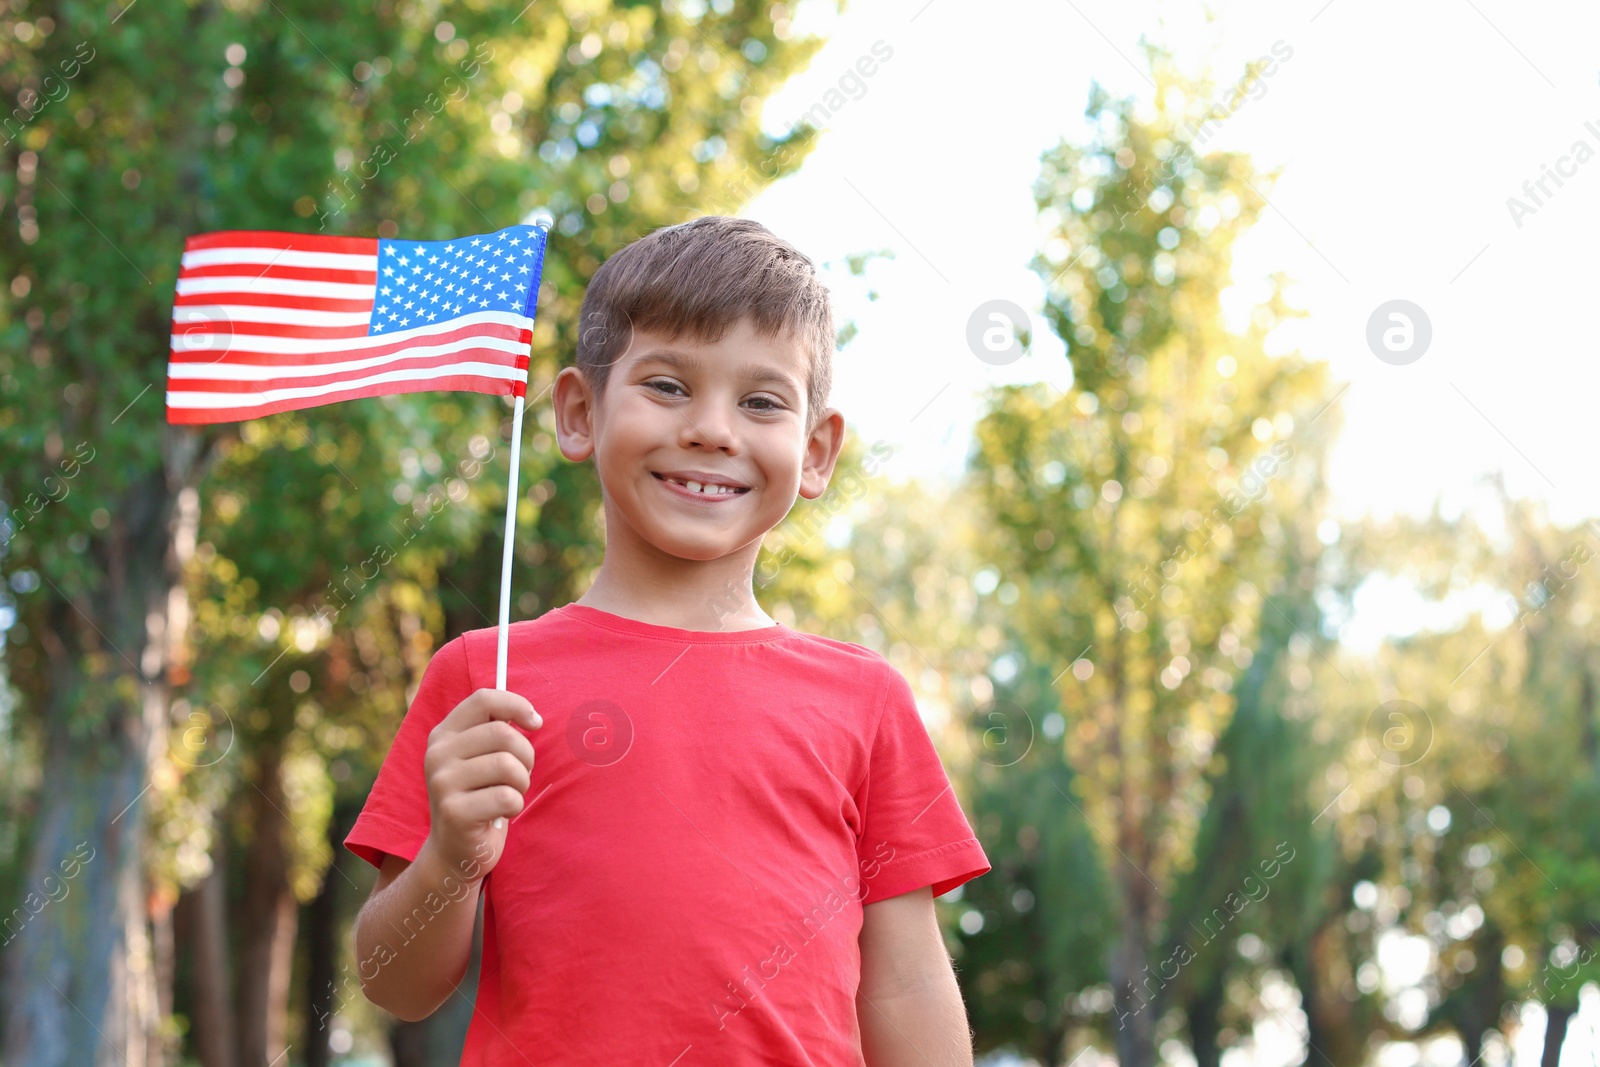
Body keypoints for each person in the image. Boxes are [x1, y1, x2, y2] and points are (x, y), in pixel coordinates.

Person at [344, 215, 991, 1065]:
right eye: (668, 386)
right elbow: (397, 983)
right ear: (579, 412)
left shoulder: (864, 699)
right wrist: (451, 860)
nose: (712, 428)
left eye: (761, 401)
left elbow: (905, 980)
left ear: (817, 450)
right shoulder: (486, 679)